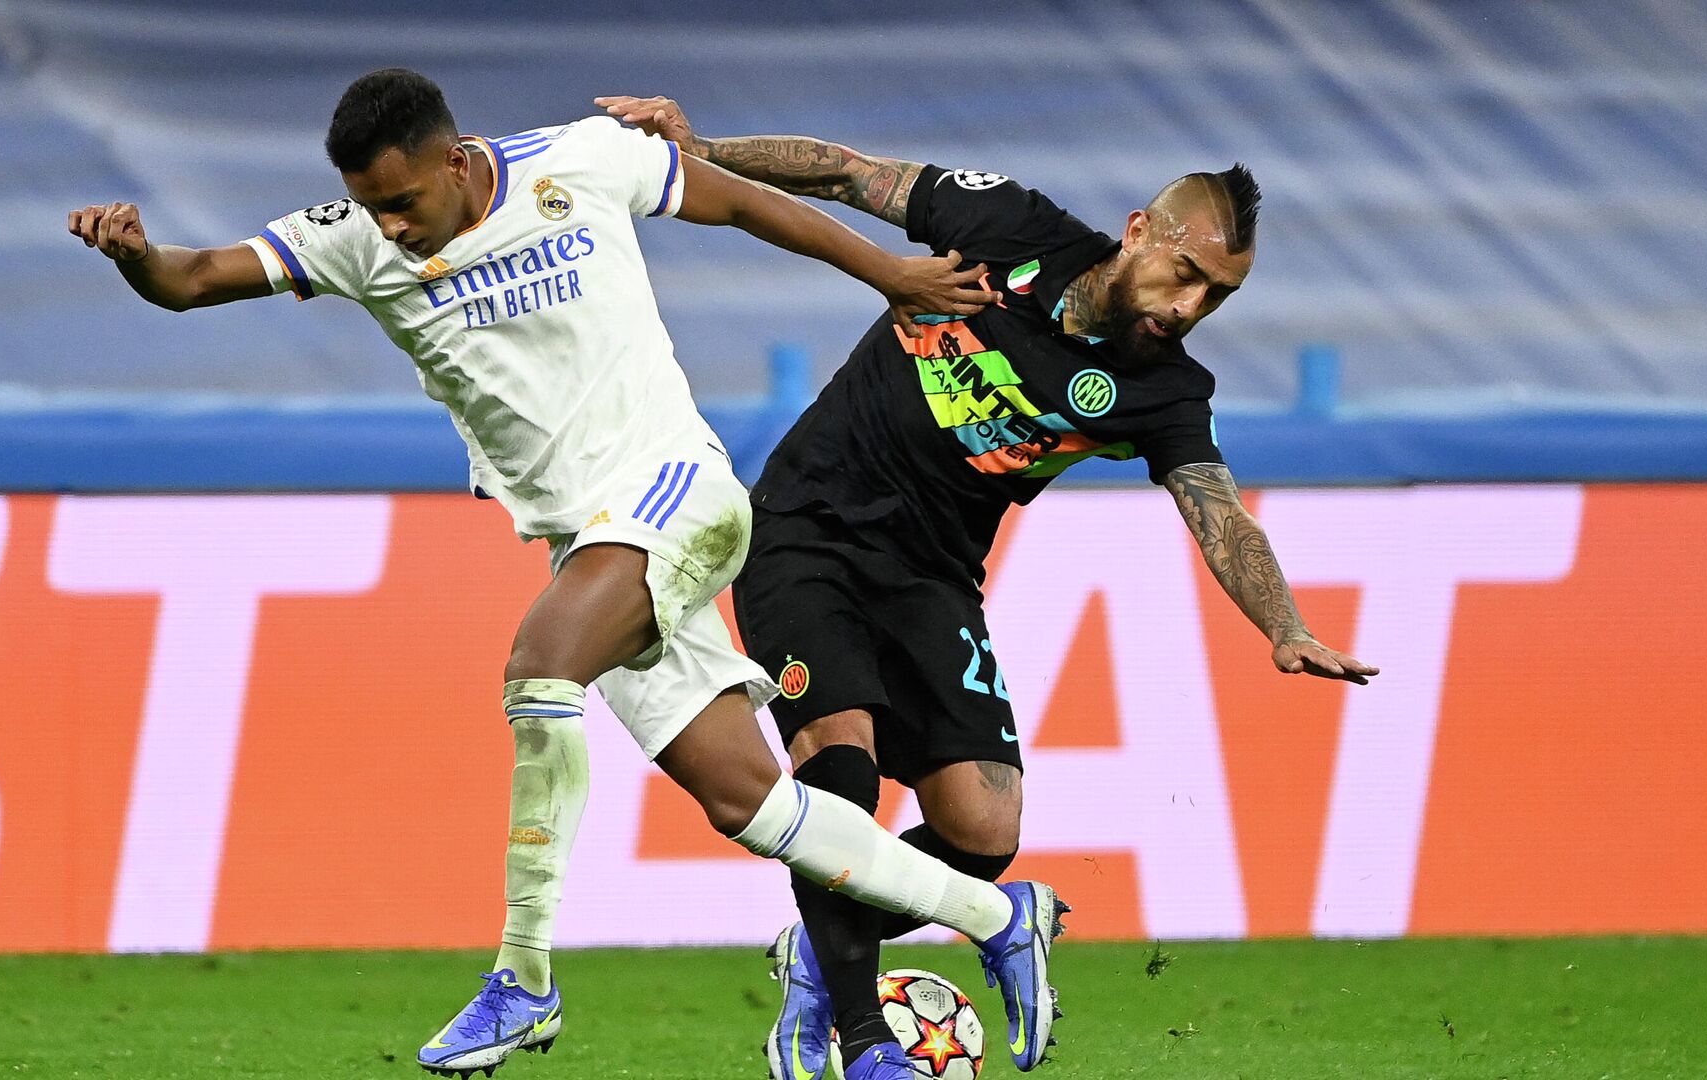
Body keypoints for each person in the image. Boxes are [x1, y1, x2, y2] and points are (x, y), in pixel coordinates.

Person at [68, 69, 1067, 1080]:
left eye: (405, 203)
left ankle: (524, 979)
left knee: (541, 664)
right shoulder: (357, 238)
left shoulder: (576, 163)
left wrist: (890, 275)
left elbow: (739, 201)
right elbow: (192, 280)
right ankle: (995, 917)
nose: (395, 229)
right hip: (589, 542)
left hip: (679, 491)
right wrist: (137, 256)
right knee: (754, 807)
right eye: (375, 209)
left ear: (454, 163)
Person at [596, 94, 1381, 1079]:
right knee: (837, 765)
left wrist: (1284, 622)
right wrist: (702, 149)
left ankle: (824, 945)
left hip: (934, 577)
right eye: (1185, 274)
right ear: (1140, 233)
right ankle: (857, 1039)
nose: (1188, 308)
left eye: (1215, 296)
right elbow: (845, 170)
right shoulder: (1006, 225)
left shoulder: (1165, 391)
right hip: (808, 525)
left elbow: (1217, 510)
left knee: (983, 828)